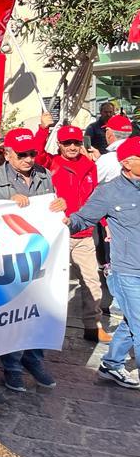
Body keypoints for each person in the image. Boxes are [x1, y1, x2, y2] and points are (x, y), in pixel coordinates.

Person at [0, 127, 67, 392]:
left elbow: (52, 209)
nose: (29, 159)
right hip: (5, 260)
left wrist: (59, 206)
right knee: (12, 314)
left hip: (39, 256)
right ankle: (12, 367)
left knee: (38, 310)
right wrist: (5, 203)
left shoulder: (44, 175)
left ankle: (34, 360)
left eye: (33, 153)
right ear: (7, 153)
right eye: (23, 154)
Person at [68, 136, 140, 389]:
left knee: (133, 322)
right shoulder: (109, 191)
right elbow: (82, 219)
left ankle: (111, 364)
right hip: (129, 272)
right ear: (127, 163)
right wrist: (63, 221)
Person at [35, 117, 109, 343]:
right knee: (45, 282)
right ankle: (39, 328)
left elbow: (96, 198)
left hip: (83, 233)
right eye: (67, 143)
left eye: (75, 142)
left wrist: (105, 225)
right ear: (59, 145)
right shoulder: (50, 163)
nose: (72, 147)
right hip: (55, 234)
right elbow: (35, 154)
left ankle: (93, 326)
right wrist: (43, 128)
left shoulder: (90, 166)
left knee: (91, 281)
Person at [96, 114, 135, 183]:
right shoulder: (136, 154)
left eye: (106, 131)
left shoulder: (107, 160)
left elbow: (91, 182)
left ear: (109, 133)